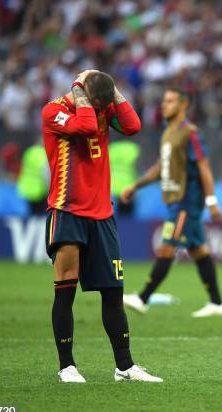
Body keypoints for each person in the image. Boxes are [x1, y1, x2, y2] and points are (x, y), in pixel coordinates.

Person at [42, 69, 162, 382]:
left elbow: (133, 126)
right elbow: (84, 125)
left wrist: (114, 91)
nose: (100, 113)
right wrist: (81, 92)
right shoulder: (53, 111)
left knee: (113, 293)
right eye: (97, 105)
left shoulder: (100, 106)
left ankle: (124, 367)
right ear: (83, 95)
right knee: (65, 290)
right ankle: (67, 366)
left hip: (102, 214)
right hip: (67, 211)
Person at [121, 88, 222, 318]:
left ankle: (142, 298)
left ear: (183, 105)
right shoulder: (168, 132)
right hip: (175, 201)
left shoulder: (190, 133)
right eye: (163, 100)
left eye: (169, 101)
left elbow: (204, 168)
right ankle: (218, 303)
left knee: (167, 246)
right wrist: (136, 186)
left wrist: (211, 201)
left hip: (185, 202)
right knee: (198, 249)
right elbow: (161, 167)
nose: (163, 105)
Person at [109, 139, 141, 215]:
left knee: (118, 214)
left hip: (114, 186)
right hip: (129, 185)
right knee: (129, 215)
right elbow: (138, 166)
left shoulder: (111, 148)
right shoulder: (133, 148)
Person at [17, 139, 49, 214]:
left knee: (31, 213)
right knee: (41, 214)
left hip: (27, 187)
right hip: (39, 189)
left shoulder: (29, 152)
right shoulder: (43, 154)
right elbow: (45, 172)